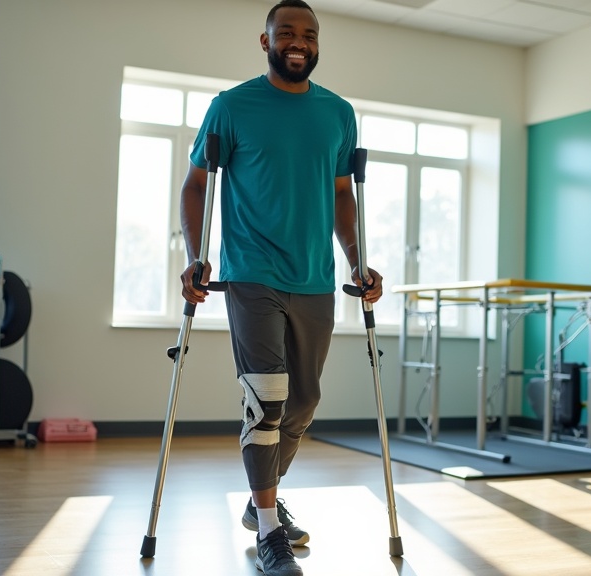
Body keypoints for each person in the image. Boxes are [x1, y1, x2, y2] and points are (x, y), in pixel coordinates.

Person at [178, 1, 382, 575]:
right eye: (286, 32)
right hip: (250, 273)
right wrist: (195, 257)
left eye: (309, 34)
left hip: (314, 277)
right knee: (266, 400)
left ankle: (258, 499)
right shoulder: (231, 106)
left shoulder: (338, 114)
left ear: (318, 44)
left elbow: (343, 193)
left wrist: (357, 258)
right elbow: (196, 184)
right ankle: (271, 531)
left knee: (303, 402)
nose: (298, 42)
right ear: (263, 40)